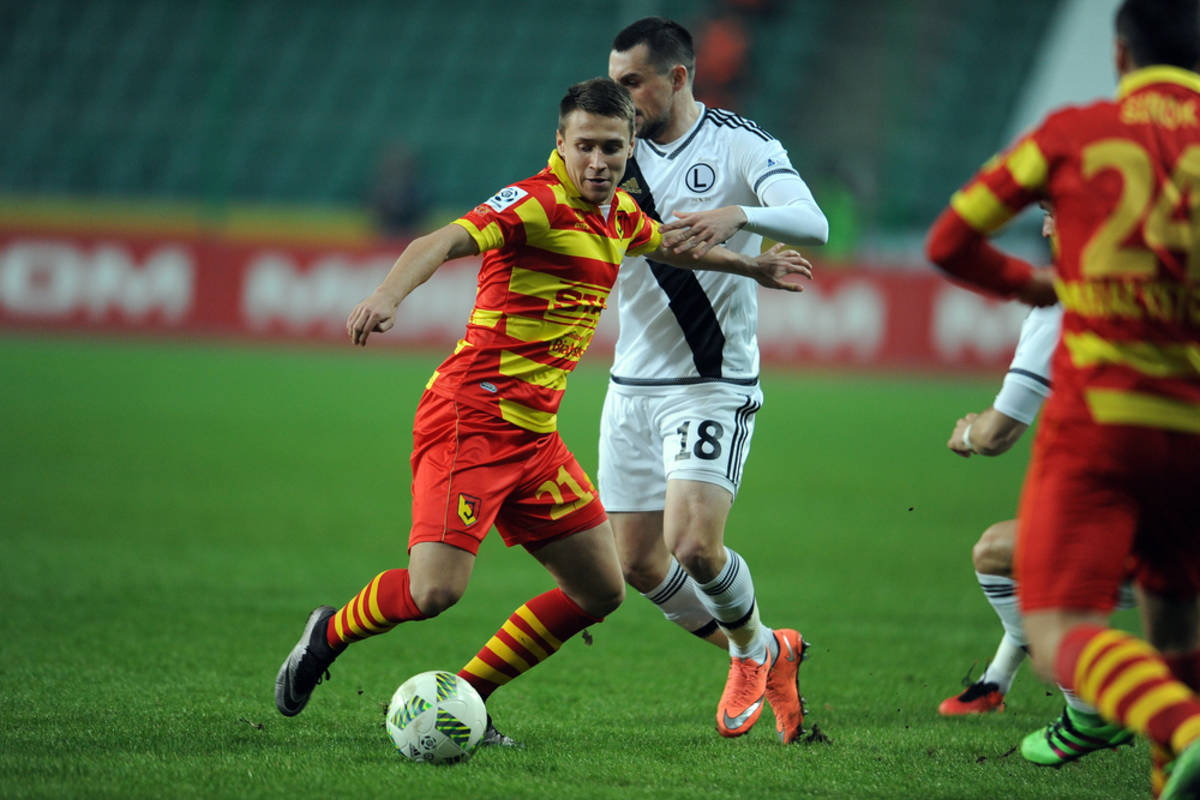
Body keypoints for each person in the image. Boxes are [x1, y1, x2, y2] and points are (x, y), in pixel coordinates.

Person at [273, 77, 813, 741]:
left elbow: (670, 244)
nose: (598, 162)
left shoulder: (618, 216)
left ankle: (468, 699)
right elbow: (438, 242)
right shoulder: (535, 202)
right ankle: (328, 634)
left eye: (611, 148)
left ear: (630, 147)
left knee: (602, 589)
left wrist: (751, 268)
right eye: (584, 146)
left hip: (534, 438)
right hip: (471, 418)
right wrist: (387, 296)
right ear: (560, 142)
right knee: (433, 592)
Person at [926, 2, 1200, 795]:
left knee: (1061, 630)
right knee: (1176, 631)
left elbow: (949, 241)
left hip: (1104, 431)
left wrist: (1034, 284)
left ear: (1120, 55)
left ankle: (1179, 727)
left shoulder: (1075, 133)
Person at [601, 17, 828, 743]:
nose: (622, 97)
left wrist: (740, 214)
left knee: (694, 545)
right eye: (614, 83)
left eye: (633, 82)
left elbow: (813, 222)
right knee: (638, 563)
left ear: (678, 77)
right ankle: (767, 647)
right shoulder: (612, 149)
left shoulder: (739, 143)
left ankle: (746, 652)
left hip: (711, 380)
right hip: (631, 383)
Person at [937, 209, 1137, 766]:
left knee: (999, 555)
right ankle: (996, 682)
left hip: (1146, 518)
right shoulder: (1157, 285)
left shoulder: (1066, 301)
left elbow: (998, 434)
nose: (1046, 229)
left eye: (1054, 214)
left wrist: (967, 433)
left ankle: (1089, 714)